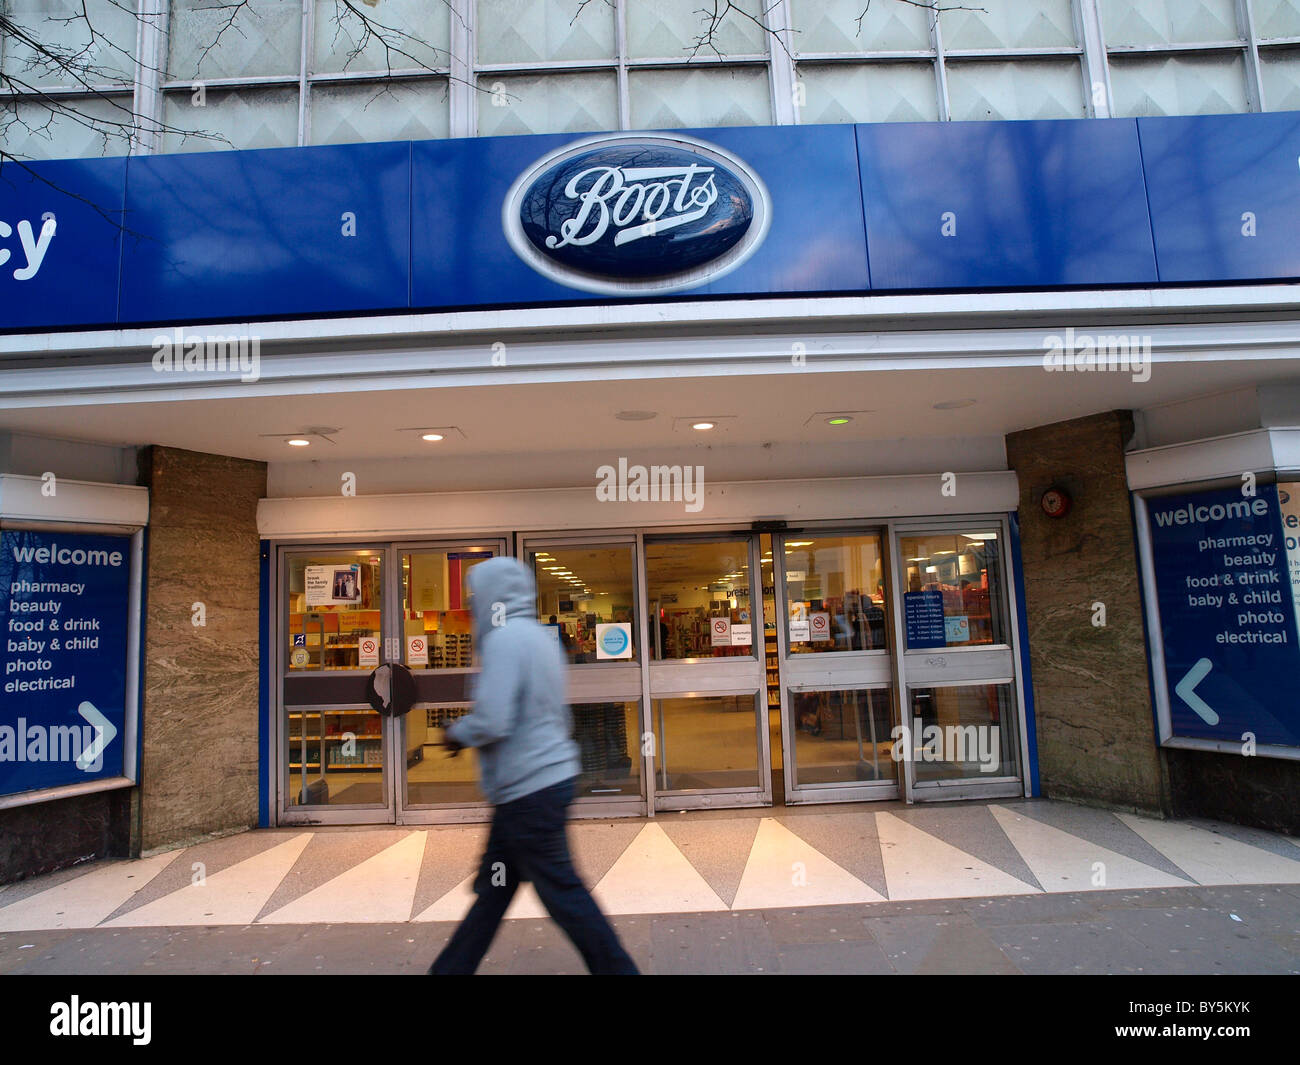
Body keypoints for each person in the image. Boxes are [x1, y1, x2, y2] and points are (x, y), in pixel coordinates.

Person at [429, 556, 638, 975]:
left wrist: (457, 734)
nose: (472, 606)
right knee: (495, 891)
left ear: (493, 597)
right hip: (539, 782)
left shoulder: (504, 641)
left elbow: (494, 718)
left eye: (476, 596)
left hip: (528, 790)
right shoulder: (541, 638)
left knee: (562, 892)